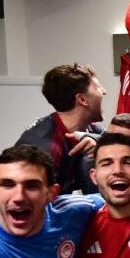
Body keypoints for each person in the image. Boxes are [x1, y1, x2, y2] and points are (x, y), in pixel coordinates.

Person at [16, 63, 106, 194]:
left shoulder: (89, 128)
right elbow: (27, 200)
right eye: (98, 87)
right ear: (82, 99)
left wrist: (101, 146)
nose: (104, 91)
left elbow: (117, 143)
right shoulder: (47, 149)